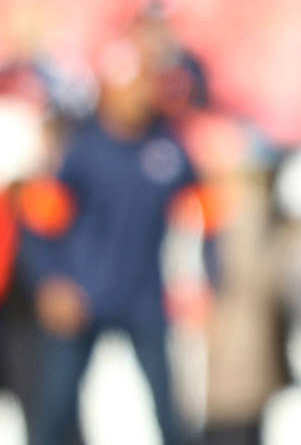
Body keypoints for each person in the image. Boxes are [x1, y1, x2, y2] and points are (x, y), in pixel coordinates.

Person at [17, 38, 214, 445]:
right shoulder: (82, 151)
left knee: (168, 414)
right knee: (55, 410)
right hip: (81, 296)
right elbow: (38, 223)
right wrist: (51, 282)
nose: (142, 93)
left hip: (143, 299)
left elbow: (209, 215)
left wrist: (208, 278)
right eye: (133, 83)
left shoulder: (169, 148)